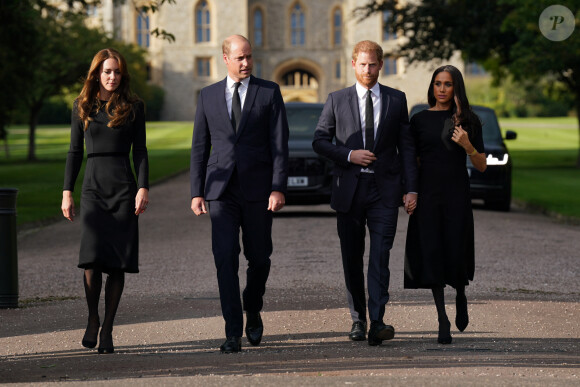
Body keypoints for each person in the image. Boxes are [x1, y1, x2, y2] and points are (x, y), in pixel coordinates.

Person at [312, 40, 418, 346]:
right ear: (353, 65)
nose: (367, 70)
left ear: (381, 65)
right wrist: (348, 155)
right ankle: (358, 319)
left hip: (385, 191)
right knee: (352, 257)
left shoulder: (397, 100)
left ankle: (378, 320)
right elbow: (320, 140)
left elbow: (407, 149)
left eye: (373, 64)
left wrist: (411, 189)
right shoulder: (336, 99)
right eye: (362, 64)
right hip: (350, 191)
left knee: (380, 256)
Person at [190, 35, 289, 353]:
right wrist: (196, 191)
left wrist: (278, 186)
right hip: (220, 191)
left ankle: (253, 307)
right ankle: (233, 330)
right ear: (225, 59)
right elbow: (199, 147)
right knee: (224, 258)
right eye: (240, 58)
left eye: (249, 57)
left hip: (259, 190)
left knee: (259, 258)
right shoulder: (207, 96)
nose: (246, 63)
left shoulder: (269, 92)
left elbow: (279, 144)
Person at [61, 48, 149, 354]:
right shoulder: (81, 106)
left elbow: (140, 151)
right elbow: (74, 151)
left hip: (124, 187)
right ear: (97, 73)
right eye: (107, 71)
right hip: (93, 187)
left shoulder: (134, 106)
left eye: (117, 72)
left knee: (117, 262)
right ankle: (93, 318)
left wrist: (143, 187)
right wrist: (66, 191)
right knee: (92, 257)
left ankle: (109, 329)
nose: (112, 77)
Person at [404, 65, 487, 344]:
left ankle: (461, 293)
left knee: (456, 248)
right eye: (437, 83)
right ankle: (442, 318)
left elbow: (482, 165)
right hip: (428, 195)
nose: (441, 89)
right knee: (432, 251)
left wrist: (467, 145)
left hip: (456, 194)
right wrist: (411, 192)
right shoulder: (418, 121)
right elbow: (412, 162)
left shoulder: (469, 121)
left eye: (447, 84)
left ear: (456, 88)